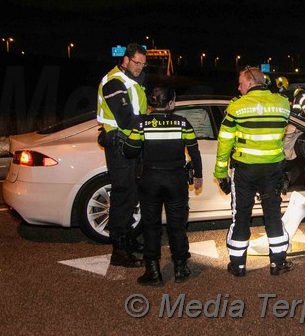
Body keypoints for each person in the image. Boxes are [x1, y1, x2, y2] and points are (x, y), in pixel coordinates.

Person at [214, 66, 293, 277]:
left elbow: (225, 142)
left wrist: (221, 172)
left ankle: (238, 265)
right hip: (272, 169)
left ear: (250, 83)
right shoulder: (282, 104)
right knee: (273, 214)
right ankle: (278, 263)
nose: (238, 88)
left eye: (240, 84)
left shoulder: (236, 107)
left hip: (245, 170)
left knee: (241, 215)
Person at [123, 85, 203, 285]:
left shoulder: (142, 124)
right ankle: (180, 268)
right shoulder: (182, 124)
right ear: (170, 103)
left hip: (150, 180)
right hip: (176, 180)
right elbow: (194, 151)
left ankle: (153, 271)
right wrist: (199, 175)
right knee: (177, 224)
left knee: (151, 225)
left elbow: (129, 151)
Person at [96, 42, 148, 268]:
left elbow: (140, 111)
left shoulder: (132, 80)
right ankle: (118, 249)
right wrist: (150, 123)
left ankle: (127, 238)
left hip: (131, 143)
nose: (139, 67)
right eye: (136, 62)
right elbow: (127, 119)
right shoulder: (113, 82)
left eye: (143, 64)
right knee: (123, 195)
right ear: (125, 60)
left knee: (132, 194)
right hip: (119, 143)